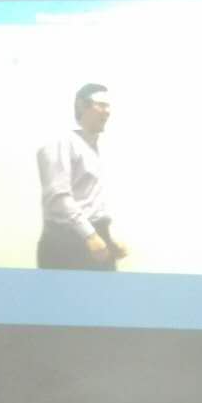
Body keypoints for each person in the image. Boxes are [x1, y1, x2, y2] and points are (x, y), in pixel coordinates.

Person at [35, 84, 129, 270]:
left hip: (93, 240)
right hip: (67, 244)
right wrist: (90, 235)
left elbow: (89, 202)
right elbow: (58, 198)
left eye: (108, 106)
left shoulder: (93, 149)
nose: (107, 111)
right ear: (81, 106)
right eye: (101, 105)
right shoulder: (60, 142)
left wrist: (107, 239)